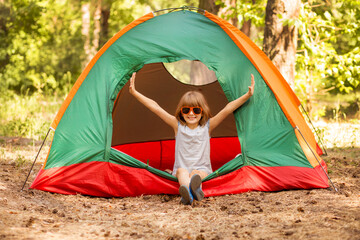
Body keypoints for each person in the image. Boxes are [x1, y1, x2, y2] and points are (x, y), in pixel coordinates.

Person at [129, 72, 255, 205]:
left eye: (196, 110)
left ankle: (191, 190)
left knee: (197, 173)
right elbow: (156, 108)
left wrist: (247, 95)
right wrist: (135, 93)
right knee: (181, 171)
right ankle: (190, 192)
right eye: (186, 110)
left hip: (203, 170)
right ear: (181, 112)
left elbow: (228, 109)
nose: (191, 113)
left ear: (202, 111)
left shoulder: (208, 126)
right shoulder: (177, 126)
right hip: (182, 168)